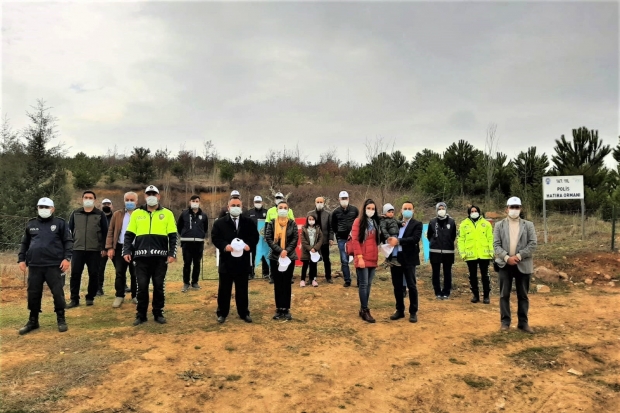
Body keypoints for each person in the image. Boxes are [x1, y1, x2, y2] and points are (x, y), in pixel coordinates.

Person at [123, 185, 177, 326]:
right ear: (145, 197)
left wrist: (172, 253)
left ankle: (158, 313)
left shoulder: (167, 213)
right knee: (142, 287)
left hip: (160, 258)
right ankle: (141, 315)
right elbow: (129, 235)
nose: (151, 196)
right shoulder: (137, 213)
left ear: (159, 196)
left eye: (154, 194)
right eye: (149, 194)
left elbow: (173, 236)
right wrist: (126, 251)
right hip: (141, 258)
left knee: (158, 286)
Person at [17, 197, 73, 335]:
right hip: (35, 265)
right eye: (40, 207)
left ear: (52, 209)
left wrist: (67, 258)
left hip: (54, 265)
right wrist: (21, 259)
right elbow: (25, 243)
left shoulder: (60, 223)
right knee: (33, 293)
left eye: (46, 207)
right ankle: (33, 320)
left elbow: (68, 241)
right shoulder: (31, 224)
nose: (43, 209)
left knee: (57, 292)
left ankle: (61, 318)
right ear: (37, 208)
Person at [211, 197, 259, 324]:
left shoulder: (248, 222)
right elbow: (215, 238)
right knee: (224, 289)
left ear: (241, 207)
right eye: (233, 205)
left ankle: (244, 312)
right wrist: (224, 246)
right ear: (228, 207)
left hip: (243, 262)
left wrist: (249, 245)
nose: (236, 207)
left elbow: (255, 236)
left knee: (242, 289)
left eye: (238, 205)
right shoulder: (219, 223)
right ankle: (222, 313)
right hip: (226, 261)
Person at [493, 197, 537, 333]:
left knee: (523, 295)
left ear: (520, 209)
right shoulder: (499, 225)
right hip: (504, 265)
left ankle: (523, 323)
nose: (514, 209)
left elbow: (533, 244)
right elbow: (496, 245)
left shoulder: (528, 225)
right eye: (512, 207)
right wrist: (507, 258)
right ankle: (505, 322)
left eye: (517, 207)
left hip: (523, 264)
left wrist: (518, 256)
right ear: (507, 209)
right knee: (504, 295)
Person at [66, 190, 109, 308]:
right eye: (86, 197)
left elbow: (105, 232)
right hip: (77, 249)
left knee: (94, 274)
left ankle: (90, 297)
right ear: (82, 199)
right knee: (75, 274)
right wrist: (69, 246)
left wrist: (104, 248)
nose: (88, 199)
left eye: (90, 198)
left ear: (94, 200)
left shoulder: (100, 214)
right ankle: (74, 299)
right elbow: (69, 231)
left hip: (94, 250)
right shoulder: (75, 213)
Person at [386, 201, 422, 323]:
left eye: (409, 208)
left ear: (413, 211)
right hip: (395, 258)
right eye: (405, 208)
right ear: (401, 211)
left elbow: (415, 239)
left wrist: (399, 241)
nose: (407, 210)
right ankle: (399, 310)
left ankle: (413, 312)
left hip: (409, 258)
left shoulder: (417, 224)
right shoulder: (395, 223)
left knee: (411, 285)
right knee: (397, 285)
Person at [264, 200, 298, 320]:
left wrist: (286, 251)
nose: (283, 209)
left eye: (285, 208)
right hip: (275, 257)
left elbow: (295, 238)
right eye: (280, 207)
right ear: (277, 210)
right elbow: (268, 238)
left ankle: (286, 308)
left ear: (288, 210)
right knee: (278, 283)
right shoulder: (272, 223)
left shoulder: (292, 224)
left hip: (289, 257)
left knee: (287, 282)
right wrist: (280, 251)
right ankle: (279, 308)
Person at [106, 192, 139, 308]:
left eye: (132, 200)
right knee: (120, 272)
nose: (129, 202)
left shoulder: (141, 214)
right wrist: (110, 247)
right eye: (127, 200)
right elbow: (111, 231)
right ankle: (119, 295)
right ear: (124, 201)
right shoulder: (117, 214)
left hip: (136, 248)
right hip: (120, 246)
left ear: (136, 202)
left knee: (135, 273)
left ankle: (135, 295)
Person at [350, 199, 380, 323]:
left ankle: (363, 309)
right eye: (369, 208)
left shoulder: (375, 222)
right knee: (363, 284)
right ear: (364, 209)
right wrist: (359, 257)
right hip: (362, 257)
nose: (371, 211)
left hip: (373, 257)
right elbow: (355, 241)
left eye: (373, 209)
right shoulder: (358, 221)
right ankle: (365, 309)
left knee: (368, 284)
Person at [458, 205, 494, 304]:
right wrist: (462, 253)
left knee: (485, 275)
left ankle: (486, 296)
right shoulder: (464, 224)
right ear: (469, 213)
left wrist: (491, 252)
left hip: (484, 254)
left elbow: (490, 238)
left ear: (479, 212)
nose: (474, 213)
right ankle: (475, 295)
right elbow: (461, 239)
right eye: (472, 211)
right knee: (472, 276)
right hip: (470, 255)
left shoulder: (486, 223)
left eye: (475, 211)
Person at [177, 195, 209, 292]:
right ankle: (186, 283)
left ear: (199, 202)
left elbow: (205, 228)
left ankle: (195, 282)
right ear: (190, 202)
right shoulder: (184, 214)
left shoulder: (204, 215)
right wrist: (185, 234)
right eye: (193, 201)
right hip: (187, 243)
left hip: (199, 243)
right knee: (187, 263)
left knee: (197, 263)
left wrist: (200, 234)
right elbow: (179, 226)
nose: (195, 203)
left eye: (197, 201)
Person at [427, 202, 457, 300]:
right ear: (436, 210)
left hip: (448, 252)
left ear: (446, 209)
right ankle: (437, 292)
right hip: (434, 251)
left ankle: (446, 292)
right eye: (439, 209)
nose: (441, 210)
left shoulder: (452, 222)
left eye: (443, 208)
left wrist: (447, 243)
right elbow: (429, 235)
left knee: (447, 273)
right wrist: (434, 242)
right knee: (435, 273)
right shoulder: (432, 222)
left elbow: (453, 236)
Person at [331, 191, 359, 287]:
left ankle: (360, 281)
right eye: (342, 198)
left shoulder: (355, 210)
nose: (344, 200)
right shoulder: (335, 212)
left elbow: (359, 222)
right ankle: (347, 280)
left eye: (345, 198)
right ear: (339, 199)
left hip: (354, 238)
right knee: (344, 260)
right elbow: (333, 225)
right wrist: (338, 234)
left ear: (348, 199)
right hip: (342, 239)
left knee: (357, 258)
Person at [308, 196, 334, 283]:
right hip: (313, 241)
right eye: (318, 202)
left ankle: (328, 277)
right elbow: (307, 227)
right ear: (315, 203)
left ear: (324, 203)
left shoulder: (328, 214)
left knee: (326, 259)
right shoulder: (310, 213)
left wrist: (331, 238)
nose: (319, 204)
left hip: (324, 240)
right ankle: (312, 278)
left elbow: (331, 227)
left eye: (321, 202)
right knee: (312, 260)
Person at [242, 195, 269, 279]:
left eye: (259, 202)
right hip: (252, 238)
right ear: (253, 203)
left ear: (262, 202)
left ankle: (266, 273)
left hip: (263, 238)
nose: (258, 203)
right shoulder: (249, 213)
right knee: (251, 255)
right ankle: (250, 273)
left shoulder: (266, 212)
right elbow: (245, 224)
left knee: (264, 254)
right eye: (256, 202)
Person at [96, 198, 114, 296]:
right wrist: (103, 248)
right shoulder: (97, 217)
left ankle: (123, 286)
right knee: (100, 268)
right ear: (101, 206)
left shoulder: (116, 217)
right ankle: (99, 288)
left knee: (120, 268)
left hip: (114, 247)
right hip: (102, 247)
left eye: (108, 204)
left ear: (112, 206)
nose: (106, 205)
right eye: (104, 204)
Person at [300, 213, 323, 288]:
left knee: (314, 265)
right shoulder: (304, 229)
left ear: (315, 220)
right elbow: (303, 240)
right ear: (307, 220)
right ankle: (302, 280)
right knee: (305, 265)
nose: (311, 221)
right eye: (309, 219)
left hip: (315, 251)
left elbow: (320, 239)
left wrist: (315, 248)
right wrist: (310, 248)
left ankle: (313, 279)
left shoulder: (318, 229)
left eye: (313, 219)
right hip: (306, 251)